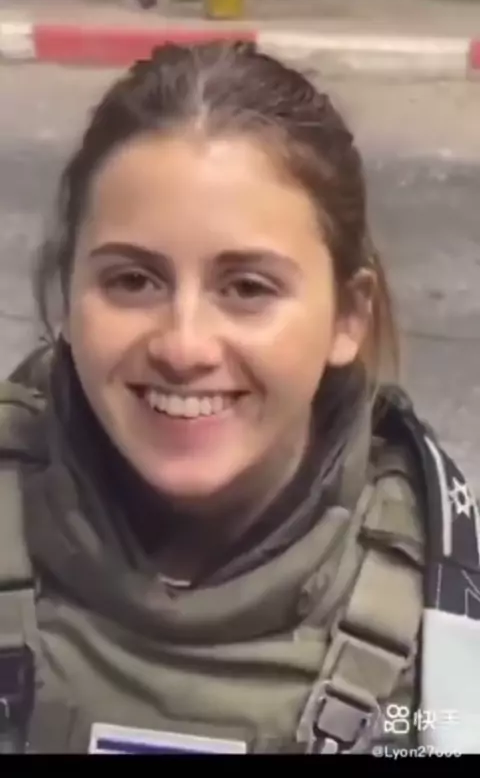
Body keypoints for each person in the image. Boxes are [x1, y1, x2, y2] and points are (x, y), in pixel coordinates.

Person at [0, 41, 479, 756]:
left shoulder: (447, 634)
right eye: (133, 281)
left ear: (348, 317)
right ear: (67, 293)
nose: (184, 346)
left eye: (248, 288)